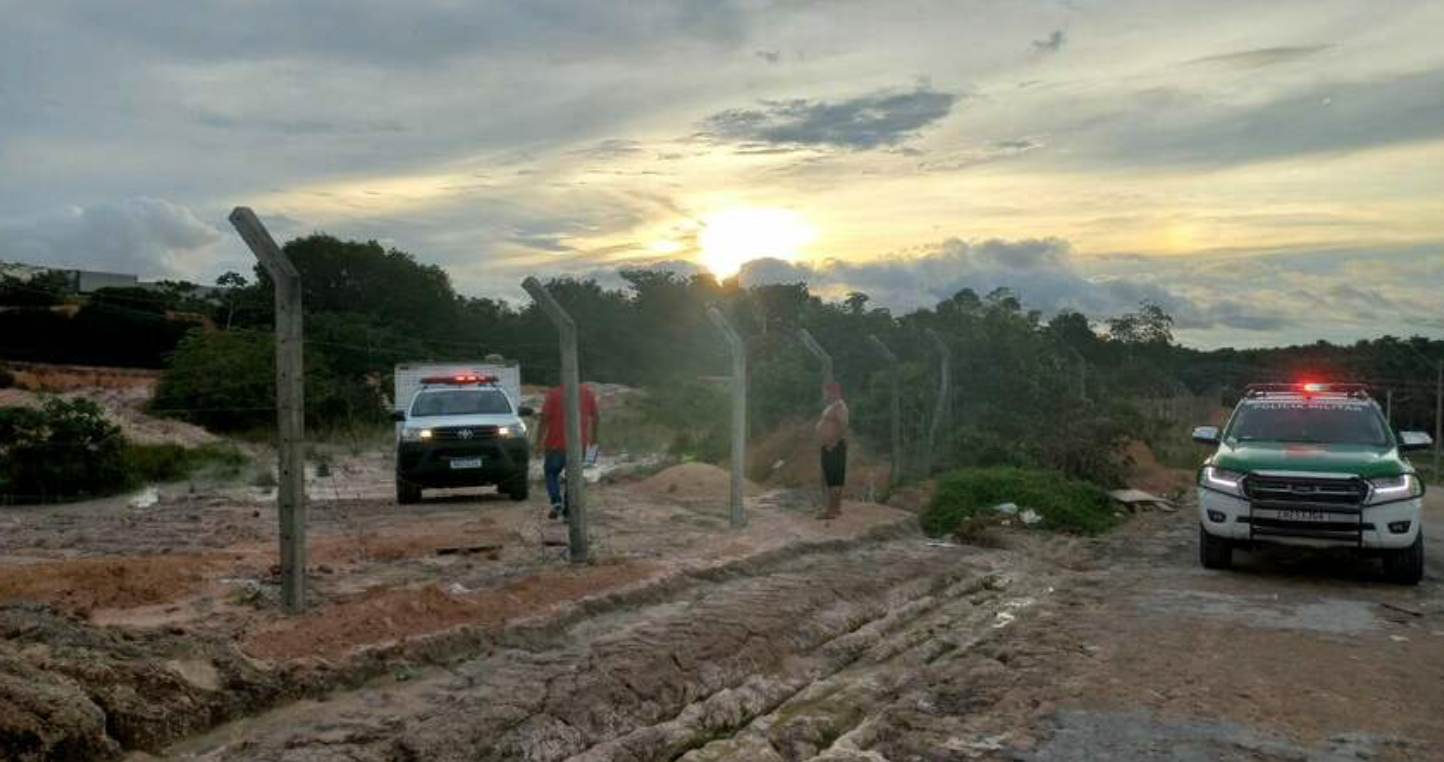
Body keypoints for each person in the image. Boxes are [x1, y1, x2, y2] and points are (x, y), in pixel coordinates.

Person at [533, 382, 600, 520]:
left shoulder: (553, 393)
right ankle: (568, 512)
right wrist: (594, 440)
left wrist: (538, 442)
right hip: (579, 445)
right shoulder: (587, 393)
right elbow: (597, 417)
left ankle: (556, 501)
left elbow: (544, 419)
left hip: (555, 445)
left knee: (551, 473)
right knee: (572, 477)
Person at [815, 381, 850, 519]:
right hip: (829, 445)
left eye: (827, 391)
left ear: (834, 392)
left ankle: (831, 511)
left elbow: (843, 425)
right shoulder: (832, 406)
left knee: (834, 479)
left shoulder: (840, 406)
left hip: (834, 446)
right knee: (833, 479)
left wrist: (833, 442)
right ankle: (836, 509)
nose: (825, 394)